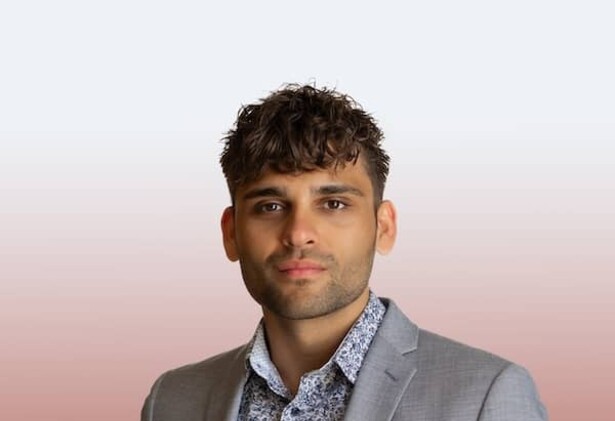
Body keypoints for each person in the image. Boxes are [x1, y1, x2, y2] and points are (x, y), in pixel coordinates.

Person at [141, 85, 548, 421]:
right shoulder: (172, 402)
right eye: (270, 206)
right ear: (231, 234)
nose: (299, 234)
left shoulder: (485, 396)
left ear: (383, 227)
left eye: (333, 204)